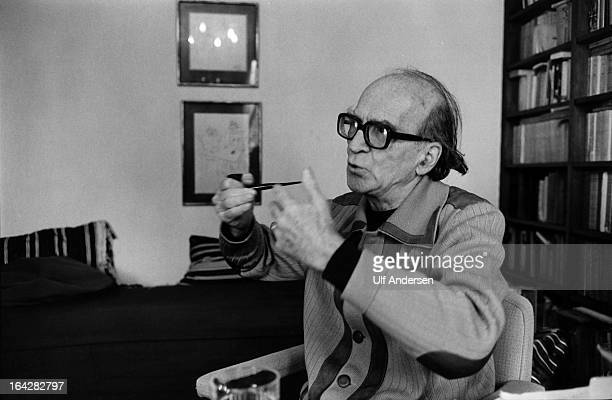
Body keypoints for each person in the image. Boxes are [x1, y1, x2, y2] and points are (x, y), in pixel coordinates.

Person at [212, 68, 509, 400]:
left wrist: (333, 255)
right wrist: (240, 227)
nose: (353, 144)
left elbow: (469, 341)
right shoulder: (339, 212)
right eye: (353, 124)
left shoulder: (468, 220)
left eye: (379, 132)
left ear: (426, 158)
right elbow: (262, 261)